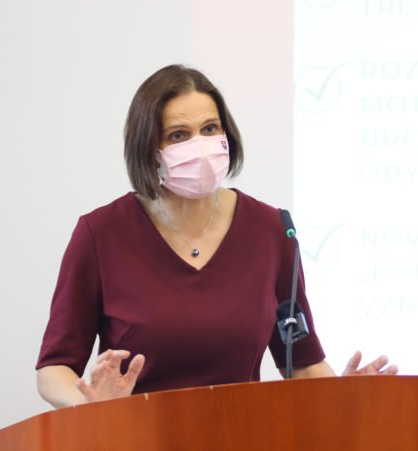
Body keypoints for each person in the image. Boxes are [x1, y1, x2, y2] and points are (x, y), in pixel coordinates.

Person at [36, 64, 398, 408]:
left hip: (243, 435)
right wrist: (90, 406)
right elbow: (54, 369)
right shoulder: (101, 234)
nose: (201, 145)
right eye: (179, 135)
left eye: (210, 128)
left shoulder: (272, 229)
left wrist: (345, 397)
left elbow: (301, 363)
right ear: (149, 149)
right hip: (136, 437)